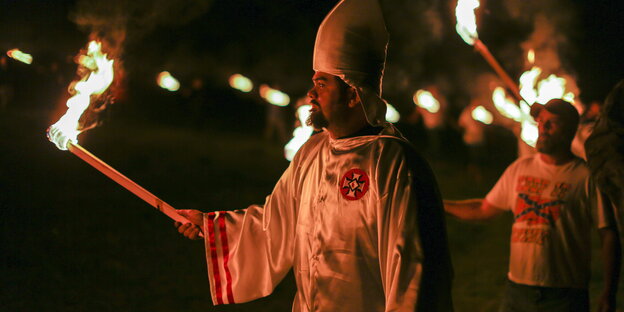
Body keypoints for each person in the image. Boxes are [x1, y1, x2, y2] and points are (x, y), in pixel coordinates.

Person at [175, 0, 454, 311]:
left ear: (353, 94)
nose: (311, 94)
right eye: (313, 83)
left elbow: (412, 273)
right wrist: (210, 225)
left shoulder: (392, 163)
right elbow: (273, 222)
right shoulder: (311, 152)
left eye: (322, 84)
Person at [445, 99, 620, 312]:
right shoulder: (520, 168)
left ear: (570, 130)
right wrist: (438, 203)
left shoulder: (586, 176)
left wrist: (608, 292)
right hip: (517, 292)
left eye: (551, 123)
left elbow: (608, 234)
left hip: (564, 296)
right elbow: (483, 209)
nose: (542, 128)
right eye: (541, 122)